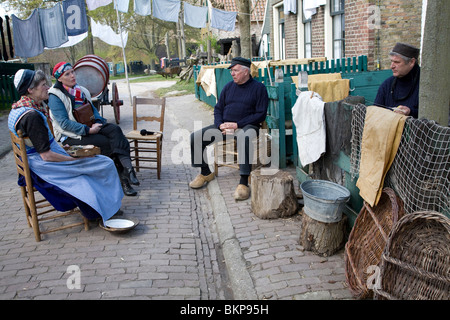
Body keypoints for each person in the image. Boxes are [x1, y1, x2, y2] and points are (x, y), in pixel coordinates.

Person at [8, 69, 123, 222]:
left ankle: (100, 205)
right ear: (30, 90)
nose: (48, 87)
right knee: (105, 163)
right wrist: (72, 160)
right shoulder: (32, 116)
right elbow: (46, 155)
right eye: (43, 85)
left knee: (94, 160)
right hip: (44, 167)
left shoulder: (17, 109)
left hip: (35, 162)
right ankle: (106, 207)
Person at [47, 62, 139, 196]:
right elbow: (64, 124)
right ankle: (122, 180)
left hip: (90, 125)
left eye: (73, 72)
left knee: (115, 130)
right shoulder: (55, 96)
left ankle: (128, 169)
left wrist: (97, 122)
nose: (72, 75)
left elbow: (92, 110)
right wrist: (88, 130)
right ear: (59, 78)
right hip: (72, 135)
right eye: (67, 74)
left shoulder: (81, 90)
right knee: (106, 142)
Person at [189, 57, 269, 200]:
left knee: (244, 136)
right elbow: (218, 109)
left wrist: (237, 125)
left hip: (248, 126)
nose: (232, 73)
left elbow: (260, 115)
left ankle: (244, 182)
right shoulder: (228, 87)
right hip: (225, 127)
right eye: (231, 71)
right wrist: (220, 125)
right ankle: (206, 172)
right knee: (195, 137)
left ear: (246, 71)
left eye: (235, 70)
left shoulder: (259, 88)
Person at [374, 42, 421, 118]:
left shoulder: (424, 85)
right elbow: (376, 113)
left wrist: (410, 112)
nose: (392, 66)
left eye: (397, 62)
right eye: (391, 61)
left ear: (411, 62)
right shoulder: (386, 85)